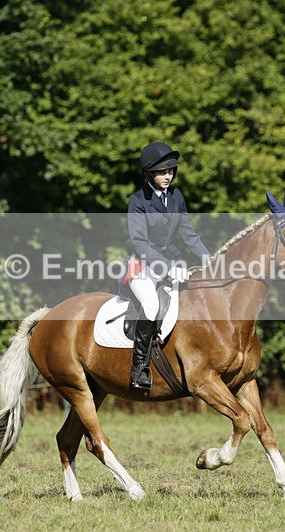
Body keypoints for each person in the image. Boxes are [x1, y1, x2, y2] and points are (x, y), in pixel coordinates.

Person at [121, 141, 211, 390]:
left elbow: (189, 234)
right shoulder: (138, 201)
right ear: (150, 173)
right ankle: (138, 368)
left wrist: (210, 260)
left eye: (171, 171)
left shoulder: (176, 197)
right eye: (162, 172)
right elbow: (140, 242)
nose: (167, 176)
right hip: (141, 265)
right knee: (151, 305)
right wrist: (166, 267)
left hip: (170, 261)